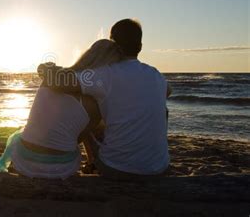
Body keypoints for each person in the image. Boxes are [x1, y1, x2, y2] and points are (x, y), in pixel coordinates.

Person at [40, 19, 171, 180]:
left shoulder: (105, 75)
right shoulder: (155, 75)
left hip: (117, 169)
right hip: (159, 168)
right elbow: (167, 91)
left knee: (86, 114)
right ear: (140, 47)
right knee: (163, 111)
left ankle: (92, 163)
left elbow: (58, 82)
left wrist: (45, 69)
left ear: (112, 45)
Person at [0, 39, 123, 179]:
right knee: (89, 129)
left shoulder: (53, 78)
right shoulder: (95, 102)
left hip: (24, 160)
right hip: (59, 168)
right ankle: (91, 162)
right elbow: (76, 138)